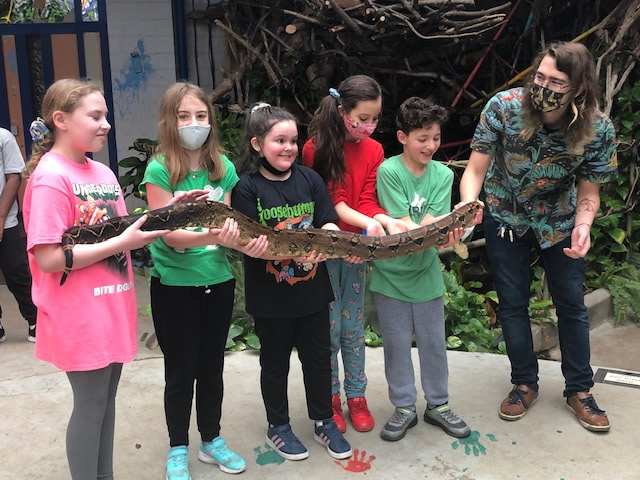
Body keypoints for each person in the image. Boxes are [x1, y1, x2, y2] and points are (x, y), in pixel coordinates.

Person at [459, 41, 617, 432]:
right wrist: (467, 209)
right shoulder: (503, 107)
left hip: (560, 223)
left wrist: (584, 225)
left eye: (555, 81)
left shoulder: (598, 130)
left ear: (579, 88)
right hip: (504, 217)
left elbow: (589, 191)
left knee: (571, 307)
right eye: (539, 76)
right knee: (512, 305)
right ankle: (523, 383)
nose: (542, 85)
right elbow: (475, 169)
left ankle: (579, 389)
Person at [22, 78, 172, 479]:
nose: (106, 123)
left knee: (105, 406)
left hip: (112, 307)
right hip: (78, 316)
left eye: (105, 115)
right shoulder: (51, 177)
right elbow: (50, 258)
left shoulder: (102, 172)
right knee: (90, 409)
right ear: (62, 120)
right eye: (95, 115)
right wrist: (122, 241)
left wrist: (176, 209)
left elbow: (123, 230)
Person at [140, 82, 256, 479]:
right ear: (170, 121)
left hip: (217, 280)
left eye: (201, 116)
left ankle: (212, 440)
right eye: (184, 116)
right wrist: (213, 236)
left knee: (211, 368)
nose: (194, 123)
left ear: (211, 120)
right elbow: (168, 233)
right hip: (174, 286)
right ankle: (177, 448)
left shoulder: (222, 167)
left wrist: (222, 236)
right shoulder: (159, 169)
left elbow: (227, 221)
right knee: (180, 369)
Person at [232, 103, 352, 462]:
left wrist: (328, 244)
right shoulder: (246, 188)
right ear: (257, 144)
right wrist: (270, 251)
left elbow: (329, 223)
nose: (288, 148)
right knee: (275, 363)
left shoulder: (310, 180)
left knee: (319, 360)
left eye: (293, 141)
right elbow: (248, 244)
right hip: (271, 299)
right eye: (279, 140)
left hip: (313, 293)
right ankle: (278, 426)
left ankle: (323, 420)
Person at [302, 75, 407, 433]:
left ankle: (357, 395)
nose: (368, 126)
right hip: (327, 248)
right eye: (362, 118)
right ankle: (330, 396)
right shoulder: (314, 148)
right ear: (342, 110)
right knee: (328, 328)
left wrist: (381, 220)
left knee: (354, 326)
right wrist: (367, 222)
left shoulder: (375, 149)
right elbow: (328, 203)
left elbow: (366, 199)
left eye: (375, 119)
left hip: (359, 250)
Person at [371, 97, 474, 441]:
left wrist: (454, 226)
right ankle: (403, 406)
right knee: (396, 345)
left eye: (435, 138)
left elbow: (433, 224)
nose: (430, 146)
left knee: (434, 344)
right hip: (389, 278)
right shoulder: (388, 171)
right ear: (402, 137)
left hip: (427, 274)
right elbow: (404, 225)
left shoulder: (443, 173)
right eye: (422, 138)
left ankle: (438, 405)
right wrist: (443, 227)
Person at [0, 127, 37, 343]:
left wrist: (1, 217)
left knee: (17, 272)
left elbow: (14, 177)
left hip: (8, 219)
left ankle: (35, 320)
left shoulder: (3, 137)